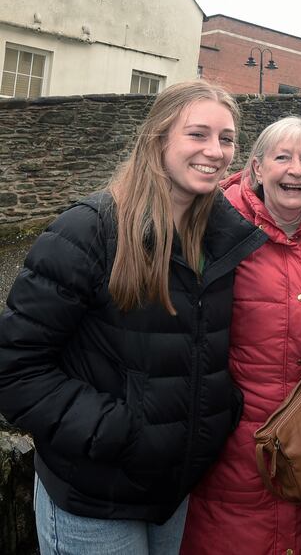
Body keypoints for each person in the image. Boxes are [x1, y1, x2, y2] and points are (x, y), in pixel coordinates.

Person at [0, 80, 266, 554]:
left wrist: (217, 415)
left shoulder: (218, 241)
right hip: (93, 494)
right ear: (158, 140)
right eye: (198, 134)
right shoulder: (88, 230)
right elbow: (15, 369)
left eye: (226, 139)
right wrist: (118, 431)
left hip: (170, 491)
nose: (216, 151)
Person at [180, 117, 301, 554]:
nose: (296, 170)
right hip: (235, 438)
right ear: (257, 169)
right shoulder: (213, 227)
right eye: (282, 157)